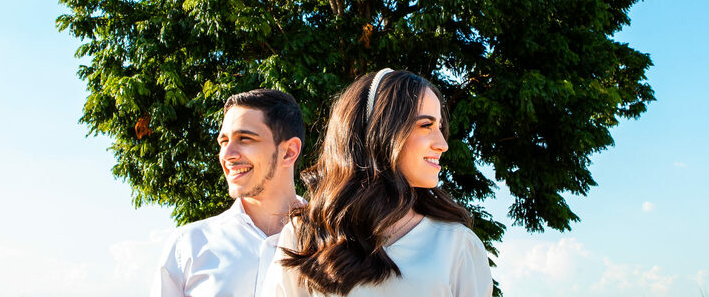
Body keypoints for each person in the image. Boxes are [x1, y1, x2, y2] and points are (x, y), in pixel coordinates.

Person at [261, 69, 493, 296]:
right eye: (426, 126)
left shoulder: (457, 244)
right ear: (378, 132)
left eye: (440, 127)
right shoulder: (304, 236)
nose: (442, 144)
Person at [151, 89, 305, 297]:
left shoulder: (336, 243)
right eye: (224, 141)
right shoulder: (187, 246)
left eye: (245, 139)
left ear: (289, 152)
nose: (227, 155)